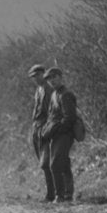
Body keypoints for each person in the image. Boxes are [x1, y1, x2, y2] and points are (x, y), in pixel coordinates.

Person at [40, 66, 78, 203]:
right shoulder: (55, 94)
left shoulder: (66, 94)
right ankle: (67, 195)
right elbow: (51, 115)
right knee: (63, 163)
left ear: (60, 77)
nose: (52, 81)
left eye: (54, 77)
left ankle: (61, 196)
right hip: (56, 134)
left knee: (55, 164)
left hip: (65, 134)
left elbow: (69, 118)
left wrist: (57, 129)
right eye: (49, 79)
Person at [27, 64, 55, 201]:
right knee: (43, 163)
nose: (36, 79)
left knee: (47, 162)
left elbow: (52, 111)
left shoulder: (49, 89)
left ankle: (54, 193)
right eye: (34, 77)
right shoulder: (39, 90)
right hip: (37, 127)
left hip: (46, 128)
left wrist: (48, 128)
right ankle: (51, 193)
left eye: (37, 75)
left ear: (43, 74)